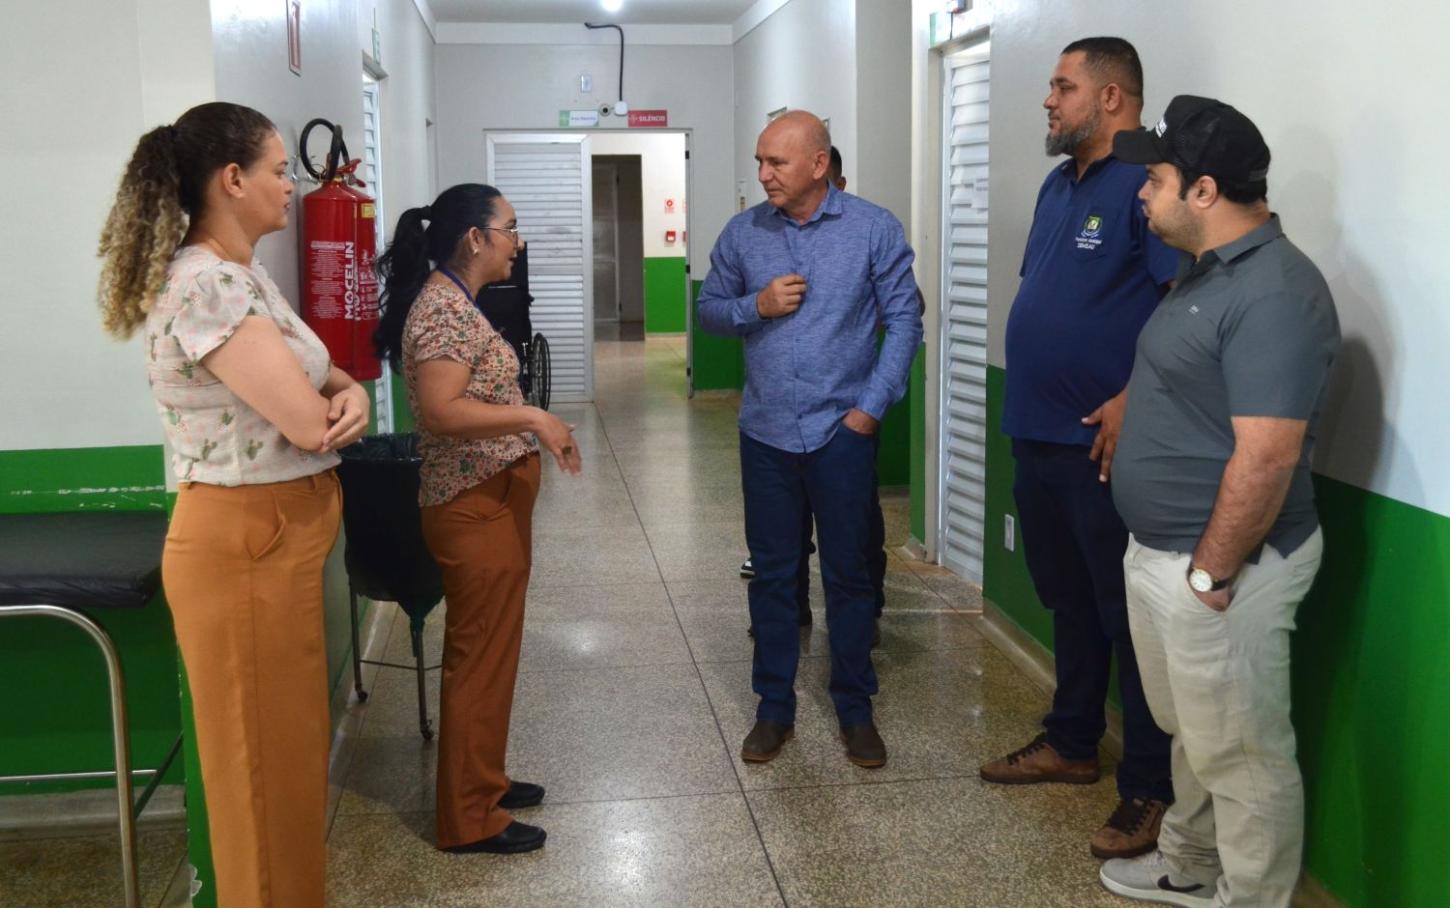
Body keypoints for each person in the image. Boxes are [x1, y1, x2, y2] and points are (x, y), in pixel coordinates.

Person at [97, 101, 370, 906]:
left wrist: (346, 390)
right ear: (233, 179)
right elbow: (308, 418)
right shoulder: (208, 284)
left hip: (274, 542)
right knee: (257, 779)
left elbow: (328, 384)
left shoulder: (241, 275)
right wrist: (336, 405)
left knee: (286, 770)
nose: (291, 185)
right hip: (243, 543)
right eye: (281, 170)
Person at [1099, 96, 1339, 907]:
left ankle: (1251, 896)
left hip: (1225, 567)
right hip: (1166, 553)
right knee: (1193, 735)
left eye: (1155, 178)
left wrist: (1209, 575)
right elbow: (1189, 376)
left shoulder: (1275, 292)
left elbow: (1267, 457)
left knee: (1241, 753)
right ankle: (1190, 864)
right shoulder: (1203, 272)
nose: (1142, 192)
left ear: (1203, 191)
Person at [977, 37, 1178, 861]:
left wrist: (1137, 395)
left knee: (1125, 616)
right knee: (1067, 599)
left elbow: (1182, 301)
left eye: (1063, 87)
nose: (1048, 101)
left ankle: (1149, 787)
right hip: (1036, 432)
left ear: (1112, 99)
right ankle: (1071, 740)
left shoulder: (1151, 186)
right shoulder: (1061, 186)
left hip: (1099, 445)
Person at [699, 111, 922, 768]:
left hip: (840, 436)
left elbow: (905, 321)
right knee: (772, 576)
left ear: (819, 164)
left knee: (849, 577)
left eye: (777, 163)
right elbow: (710, 311)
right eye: (760, 161)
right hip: (765, 437)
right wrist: (755, 307)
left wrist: (870, 412)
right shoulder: (743, 235)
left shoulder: (873, 228)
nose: (763, 174)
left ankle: (855, 708)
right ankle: (774, 709)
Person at [374, 184, 582, 856]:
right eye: (510, 229)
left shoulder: (458, 302)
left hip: (492, 498)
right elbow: (441, 410)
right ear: (475, 238)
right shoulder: (441, 310)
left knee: (493, 654)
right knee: (479, 658)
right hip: (470, 507)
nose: (517, 243)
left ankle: (483, 780)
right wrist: (533, 416)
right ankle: (469, 817)